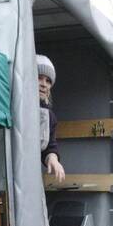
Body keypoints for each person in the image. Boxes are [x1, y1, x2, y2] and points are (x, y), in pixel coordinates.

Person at [38, 54, 66, 182]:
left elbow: (49, 147)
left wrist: (53, 159)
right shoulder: (15, 105)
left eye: (48, 81)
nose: (44, 84)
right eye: (39, 78)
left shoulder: (50, 116)